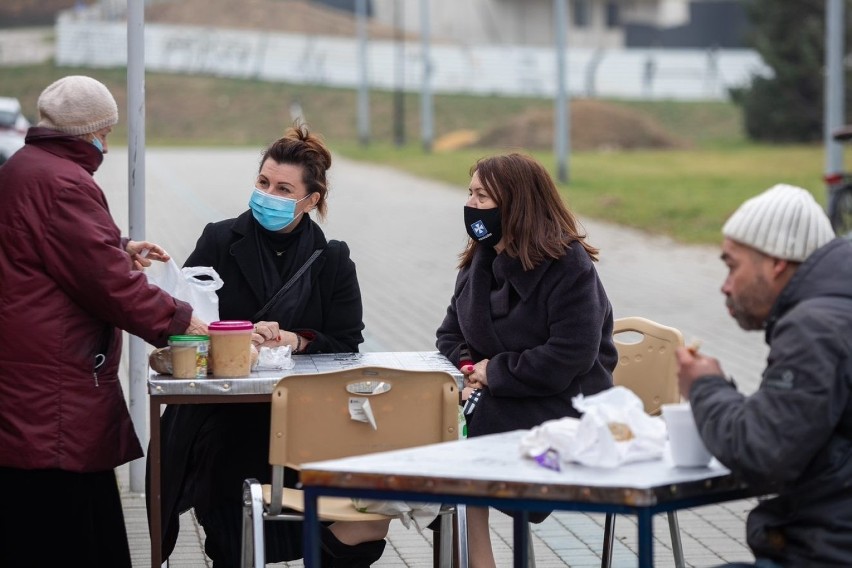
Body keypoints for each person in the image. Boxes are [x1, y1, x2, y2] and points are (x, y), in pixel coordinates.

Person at [148, 124, 389, 567]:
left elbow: (347, 340)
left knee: (350, 515)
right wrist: (230, 334)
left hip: (306, 415)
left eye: (283, 188)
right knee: (228, 497)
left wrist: (295, 339)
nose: (267, 194)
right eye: (263, 182)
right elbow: (185, 315)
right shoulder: (219, 240)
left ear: (310, 200)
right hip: (225, 412)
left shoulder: (331, 258)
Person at [0, 75, 206, 567]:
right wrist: (183, 321)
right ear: (83, 130)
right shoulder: (64, 183)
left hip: (31, 378)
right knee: (71, 530)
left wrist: (121, 247)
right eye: (104, 132)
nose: (107, 145)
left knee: (55, 517)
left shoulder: (27, 166)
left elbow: (66, 249)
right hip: (52, 391)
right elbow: (110, 286)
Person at [435, 152, 617, 568]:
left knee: (454, 438)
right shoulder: (478, 261)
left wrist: (493, 371)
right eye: (471, 193)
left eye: (483, 196)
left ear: (516, 203)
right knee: (445, 428)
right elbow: (449, 334)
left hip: (568, 406)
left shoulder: (568, 264)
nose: (472, 205)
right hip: (503, 398)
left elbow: (571, 355)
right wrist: (471, 369)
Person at [675, 183, 852, 567]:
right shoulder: (837, 309)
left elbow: (763, 453)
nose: (725, 285)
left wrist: (704, 386)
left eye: (732, 265)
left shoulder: (815, 328)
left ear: (776, 263)